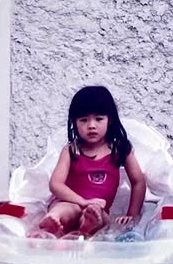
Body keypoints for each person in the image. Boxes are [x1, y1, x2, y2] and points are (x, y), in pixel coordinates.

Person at [37, 85, 146, 237]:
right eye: (83, 120)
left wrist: (132, 215)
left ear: (110, 120)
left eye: (99, 119)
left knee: (100, 216)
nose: (91, 126)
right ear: (74, 122)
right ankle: (54, 220)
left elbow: (138, 181)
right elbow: (56, 184)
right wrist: (82, 201)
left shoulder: (119, 148)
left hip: (98, 209)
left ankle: (87, 226)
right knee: (65, 209)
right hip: (71, 203)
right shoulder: (71, 149)